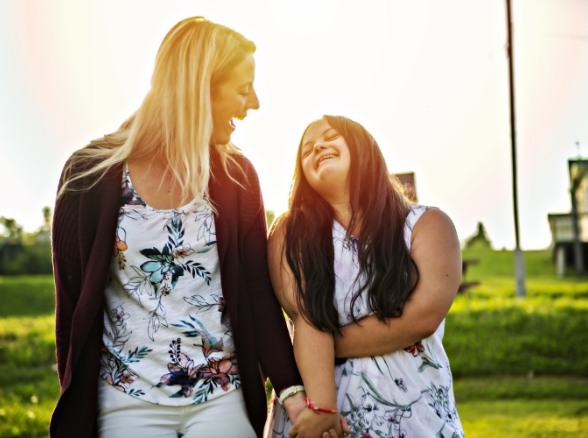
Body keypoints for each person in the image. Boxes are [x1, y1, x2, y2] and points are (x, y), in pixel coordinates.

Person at [50, 16, 314, 438]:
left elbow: (258, 291)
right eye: (243, 90)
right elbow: (72, 301)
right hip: (124, 401)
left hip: (222, 397)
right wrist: (75, 405)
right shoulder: (89, 174)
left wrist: (294, 396)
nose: (255, 104)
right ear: (199, 88)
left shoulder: (237, 176)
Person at [265, 115, 465, 437]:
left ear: (362, 146)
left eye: (330, 136)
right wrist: (322, 409)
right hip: (323, 424)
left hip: (418, 419)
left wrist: (320, 345)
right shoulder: (289, 235)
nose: (318, 147)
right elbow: (306, 317)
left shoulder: (427, 225)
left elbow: (422, 318)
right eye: (307, 149)